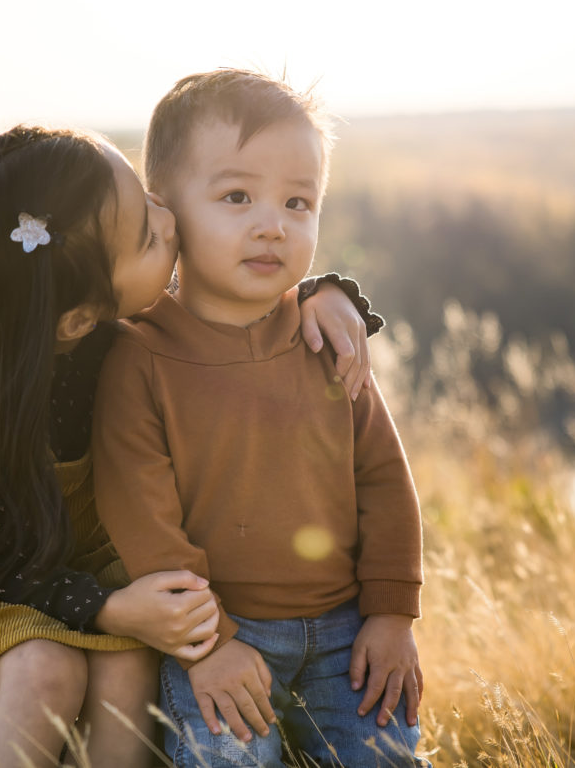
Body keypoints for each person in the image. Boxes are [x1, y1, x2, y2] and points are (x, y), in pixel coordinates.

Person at [0, 124, 381, 768]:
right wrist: (109, 608)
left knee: (125, 665)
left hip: (71, 568)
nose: (168, 217)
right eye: (149, 234)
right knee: (48, 672)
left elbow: (239, 296)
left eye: (150, 198)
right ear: (78, 319)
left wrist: (326, 291)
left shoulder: (117, 323)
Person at [93, 70, 427, 768]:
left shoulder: (326, 337)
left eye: (298, 202)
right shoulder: (140, 355)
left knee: (385, 757)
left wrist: (392, 615)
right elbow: (143, 519)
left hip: (347, 634)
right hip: (222, 636)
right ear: (166, 210)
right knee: (228, 759)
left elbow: (386, 481)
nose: (272, 223)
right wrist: (210, 644)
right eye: (237, 196)